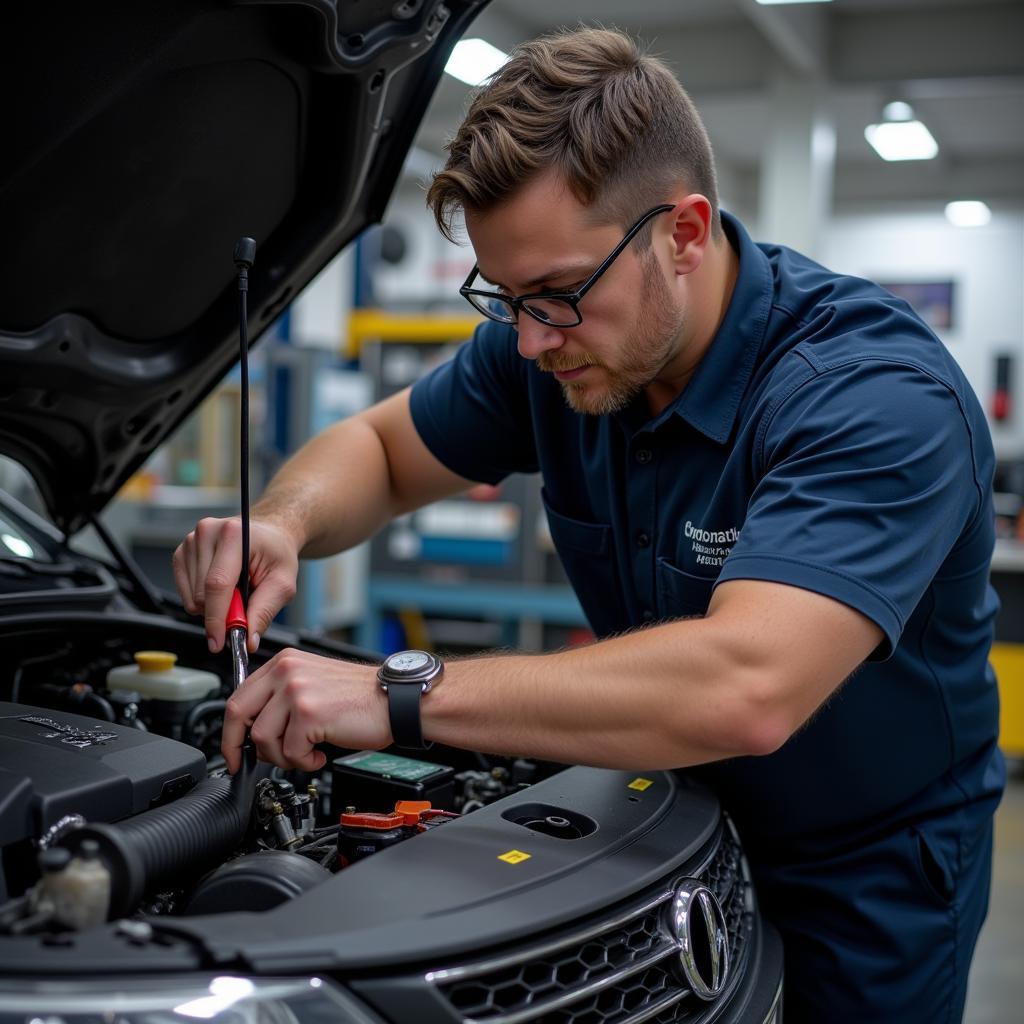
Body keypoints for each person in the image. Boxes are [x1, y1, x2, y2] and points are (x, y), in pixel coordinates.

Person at [173, 27, 1004, 1023]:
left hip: (864, 863)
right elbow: (383, 450)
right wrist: (281, 520)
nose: (528, 340)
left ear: (684, 233)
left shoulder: (869, 395)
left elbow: (747, 685)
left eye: (559, 296)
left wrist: (398, 691)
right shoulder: (551, 344)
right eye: (507, 298)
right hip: (662, 814)